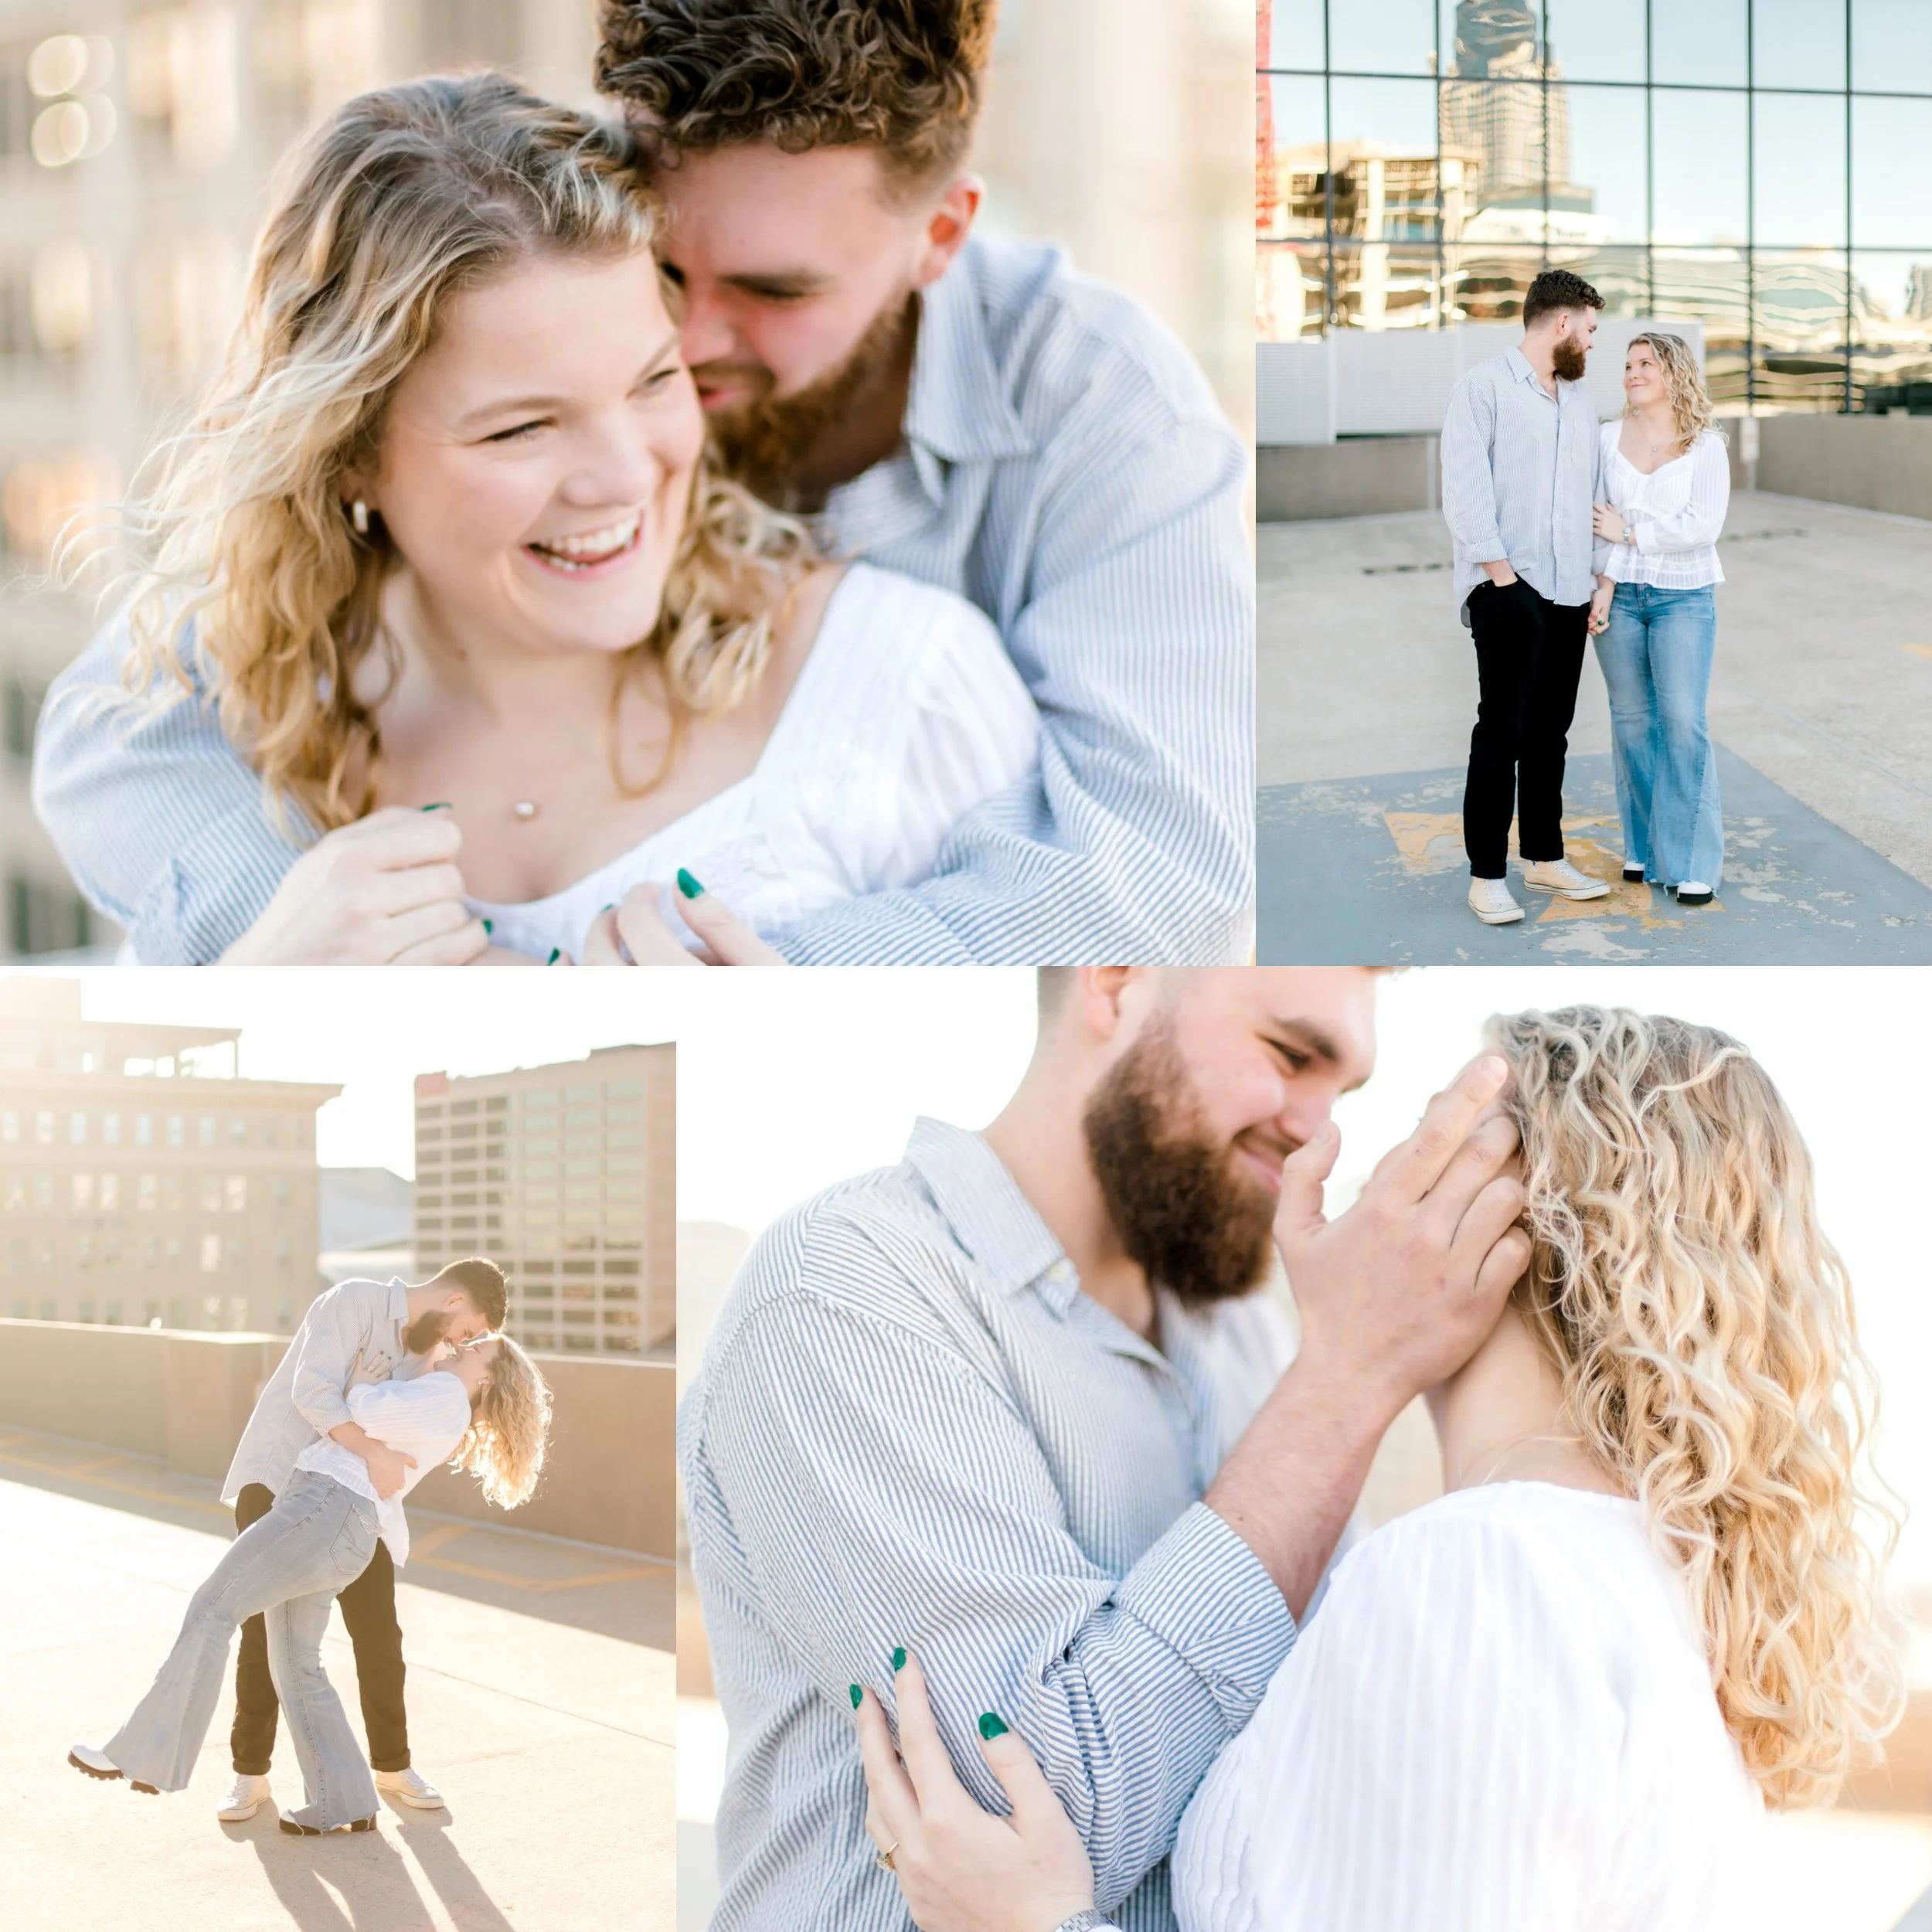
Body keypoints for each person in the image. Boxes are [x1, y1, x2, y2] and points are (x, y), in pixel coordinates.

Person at [36, 0, 1252, 968]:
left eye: (773, 293)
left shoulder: (1101, 412)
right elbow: (119, 724)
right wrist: (298, 944)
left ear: (940, 236)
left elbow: (1162, 874)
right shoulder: (534, 240)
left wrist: (740, 989)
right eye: (662, 269)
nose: (693, 337)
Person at [851, 1007, 1903, 1932]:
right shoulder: (1654, 1583)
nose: (1368, 1185)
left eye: (1421, 1156)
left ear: (1500, 1214)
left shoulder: (1477, 1574)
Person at [679, 966, 1530, 1930]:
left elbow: (1339, 1721)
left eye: (1345, 1089)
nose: (1315, 1127)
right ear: (1115, 978)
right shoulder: (846, 1291)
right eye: (1292, 1055)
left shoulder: (1250, 1333)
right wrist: (1347, 1379)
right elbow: (1025, 1822)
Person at [70, 1332, 552, 1835]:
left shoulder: (446, 1395)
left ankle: (144, 1754)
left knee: (214, 1606)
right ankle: (342, 1802)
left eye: (476, 1350)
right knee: (297, 1665)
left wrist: (360, 1382)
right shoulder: (445, 1401)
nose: (463, 1348)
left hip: (324, 1508)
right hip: (339, 1523)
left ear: (487, 1377)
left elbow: (362, 1412)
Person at [208, 1258, 506, 1823]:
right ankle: (250, 1773)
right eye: (466, 1330)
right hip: (277, 1478)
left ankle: (393, 1766)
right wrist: (371, 1446)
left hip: (352, 1502)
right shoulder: (354, 1301)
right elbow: (314, 1392)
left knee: (379, 1633)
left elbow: (405, 1423)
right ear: (453, 1300)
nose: (459, 1343)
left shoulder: (429, 1360)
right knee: (261, 1631)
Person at [1440, 269, 1614, 927]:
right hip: (1508, 586)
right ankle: (1487, 876)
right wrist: (1503, 579)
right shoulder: (1482, 387)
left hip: (1569, 588)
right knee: (1501, 733)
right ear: (1562, 322)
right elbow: (1465, 490)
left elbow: (1591, 495)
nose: (1593, 343)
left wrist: (1597, 577)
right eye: (1590, 329)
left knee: (1550, 735)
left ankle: (1544, 857)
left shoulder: (1580, 400)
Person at [1587, 332, 1730, 906]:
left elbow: (1702, 526)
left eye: (1647, 363)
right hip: (1620, 597)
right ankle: (1646, 845)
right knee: (1631, 722)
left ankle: (1693, 861)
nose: (1633, 373)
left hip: (1683, 597)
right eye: (1628, 364)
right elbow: (1595, 520)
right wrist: (1602, 587)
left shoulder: (1706, 445)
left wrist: (1631, 533)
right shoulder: (1606, 438)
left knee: (1682, 720)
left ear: (1675, 372)